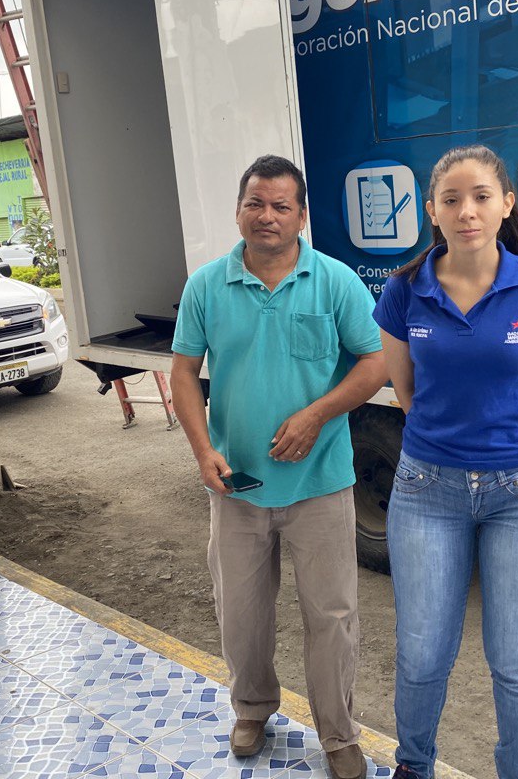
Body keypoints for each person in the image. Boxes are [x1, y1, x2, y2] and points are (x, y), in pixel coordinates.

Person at [372, 145, 518, 779]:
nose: (467, 211)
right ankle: (414, 764)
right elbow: (407, 393)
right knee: (421, 655)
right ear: (432, 212)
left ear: (507, 205)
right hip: (426, 489)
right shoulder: (404, 291)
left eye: (481, 197)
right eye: (452, 200)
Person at [170, 155, 387, 779]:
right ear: (239, 210)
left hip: (320, 482)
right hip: (236, 484)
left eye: (281, 206)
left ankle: (339, 734)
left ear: (301, 216)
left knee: (333, 616)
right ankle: (252, 708)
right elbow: (183, 371)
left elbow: (375, 363)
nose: (267, 216)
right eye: (255, 204)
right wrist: (202, 450)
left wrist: (317, 415)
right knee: (241, 612)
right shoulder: (206, 286)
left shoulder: (335, 281)